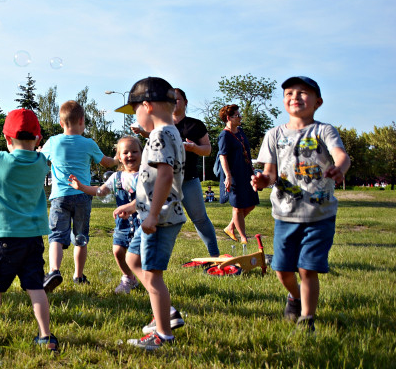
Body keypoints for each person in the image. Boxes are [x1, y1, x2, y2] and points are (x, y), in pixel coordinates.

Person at [252, 76, 349, 333]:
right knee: (282, 270)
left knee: (307, 268)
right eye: (289, 93)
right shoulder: (274, 135)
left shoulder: (324, 131)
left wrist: (339, 168)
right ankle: (294, 297)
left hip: (319, 215)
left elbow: (341, 155)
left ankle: (307, 318)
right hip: (285, 214)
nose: (295, 97)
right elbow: (270, 173)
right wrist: (262, 180)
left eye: (303, 92)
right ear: (284, 101)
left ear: (317, 102)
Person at [0, 110, 58, 352]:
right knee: (35, 287)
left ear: (8, 140)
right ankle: (46, 337)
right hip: (33, 238)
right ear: (38, 140)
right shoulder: (41, 163)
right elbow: (40, 155)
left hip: (5, 238)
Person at [114, 77, 187, 351]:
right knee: (133, 259)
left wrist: (152, 215)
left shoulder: (159, 135)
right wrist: (134, 206)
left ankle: (163, 334)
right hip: (153, 213)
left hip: (159, 219)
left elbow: (166, 176)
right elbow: (155, 179)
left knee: (152, 274)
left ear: (147, 106)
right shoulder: (172, 132)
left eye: (136, 111)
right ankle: (164, 313)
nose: (136, 117)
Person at [132, 88, 219, 257]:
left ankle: (215, 256)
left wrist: (194, 148)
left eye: (177, 99)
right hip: (165, 182)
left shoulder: (195, 125)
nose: (174, 102)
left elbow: (207, 149)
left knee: (200, 219)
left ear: (185, 102)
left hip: (188, 180)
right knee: (158, 218)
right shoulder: (162, 124)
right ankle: (149, 256)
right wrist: (143, 133)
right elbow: (157, 139)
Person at [39, 100, 117, 289]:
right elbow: (106, 162)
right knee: (80, 237)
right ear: (82, 120)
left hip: (59, 196)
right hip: (83, 195)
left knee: (56, 236)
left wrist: (38, 151)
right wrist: (118, 159)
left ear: (60, 123)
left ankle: (54, 271)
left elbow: (40, 158)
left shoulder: (53, 142)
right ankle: (78, 275)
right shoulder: (88, 143)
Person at [65, 135, 142, 295]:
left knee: (140, 257)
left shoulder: (147, 175)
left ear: (142, 153)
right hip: (123, 224)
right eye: (125, 152)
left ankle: (150, 281)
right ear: (119, 157)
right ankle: (129, 278)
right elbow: (100, 191)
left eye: (134, 151)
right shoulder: (117, 177)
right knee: (117, 251)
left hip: (144, 224)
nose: (130, 155)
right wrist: (82, 187)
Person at [217, 104, 258, 244]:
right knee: (238, 206)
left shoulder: (240, 131)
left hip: (246, 171)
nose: (240, 117)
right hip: (234, 174)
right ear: (229, 118)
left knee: (251, 203)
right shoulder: (224, 136)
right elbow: (223, 156)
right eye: (237, 115)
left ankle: (230, 227)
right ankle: (243, 238)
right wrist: (228, 176)